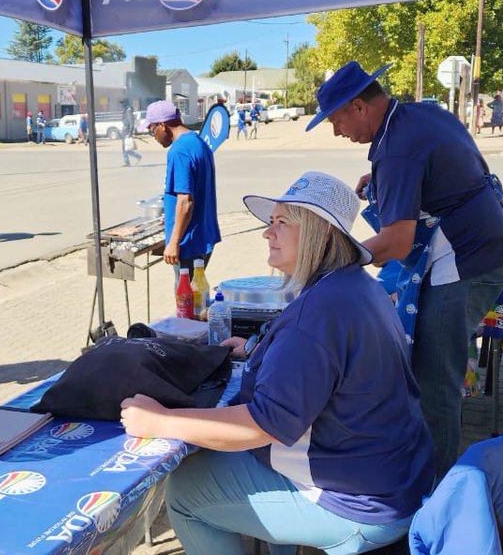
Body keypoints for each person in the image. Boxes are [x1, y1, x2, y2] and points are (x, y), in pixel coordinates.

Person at [121, 172, 434, 555]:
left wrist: (159, 421)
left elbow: (261, 426)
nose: (267, 234)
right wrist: (261, 347)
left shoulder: (316, 314)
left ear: (322, 233)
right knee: (229, 460)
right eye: (270, 222)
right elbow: (325, 361)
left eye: (282, 222)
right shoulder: (356, 286)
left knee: (186, 492)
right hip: (394, 479)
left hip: (361, 503)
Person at [306, 61, 503, 481]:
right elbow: (442, 165)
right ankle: (426, 473)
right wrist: (383, 179)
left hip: (467, 259)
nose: (337, 132)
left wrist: (333, 260)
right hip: (490, 245)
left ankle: (432, 492)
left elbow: (396, 244)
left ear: (359, 106)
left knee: (433, 377)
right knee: (431, 369)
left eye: (336, 120)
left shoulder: (396, 150)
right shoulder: (420, 116)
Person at [146, 100, 220, 282]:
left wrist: (173, 242)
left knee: (186, 297)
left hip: (188, 243)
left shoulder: (179, 151)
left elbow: (185, 202)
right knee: (196, 293)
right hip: (203, 237)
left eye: (151, 130)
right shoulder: (198, 142)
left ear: (162, 125)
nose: (153, 136)